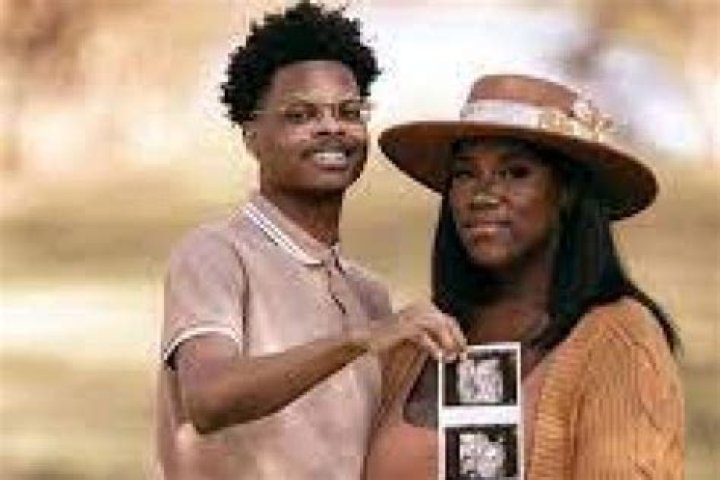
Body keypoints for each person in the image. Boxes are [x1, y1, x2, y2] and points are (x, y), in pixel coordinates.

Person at [155, 2, 465, 479]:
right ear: (252, 136)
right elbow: (209, 399)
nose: (332, 128)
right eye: (300, 115)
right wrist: (362, 340)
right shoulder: (216, 254)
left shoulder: (367, 293)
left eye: (349, 112)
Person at [365, 74, 684, 479]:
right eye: (464, 174)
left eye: (515, 173)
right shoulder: (413, 344)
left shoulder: (620, 337)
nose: (483, 195)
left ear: (567, 192)